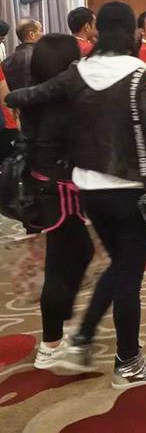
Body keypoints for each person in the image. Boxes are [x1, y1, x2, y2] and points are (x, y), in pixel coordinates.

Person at [6, 1, 146, 387]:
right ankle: (127, 362)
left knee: (119, 266)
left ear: (99, 31)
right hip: (129, 188)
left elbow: (32, 95)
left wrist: (13, 100)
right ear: (131, 31)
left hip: (89, 189)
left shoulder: (78, 72)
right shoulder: (138, 72)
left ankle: (83, 338)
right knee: (128, 275)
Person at [9, 34, 95, 369]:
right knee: (59, 266)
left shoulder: (37, 96)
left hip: (50, 186)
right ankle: (51, 343)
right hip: (59, 191)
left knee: (79, 253)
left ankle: (63, 322)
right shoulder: (59, 102)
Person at [1, 18, 43, 91]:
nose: (43, 34)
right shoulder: (43, 58)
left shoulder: (5, 63)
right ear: (32, 34)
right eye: (40, 30)